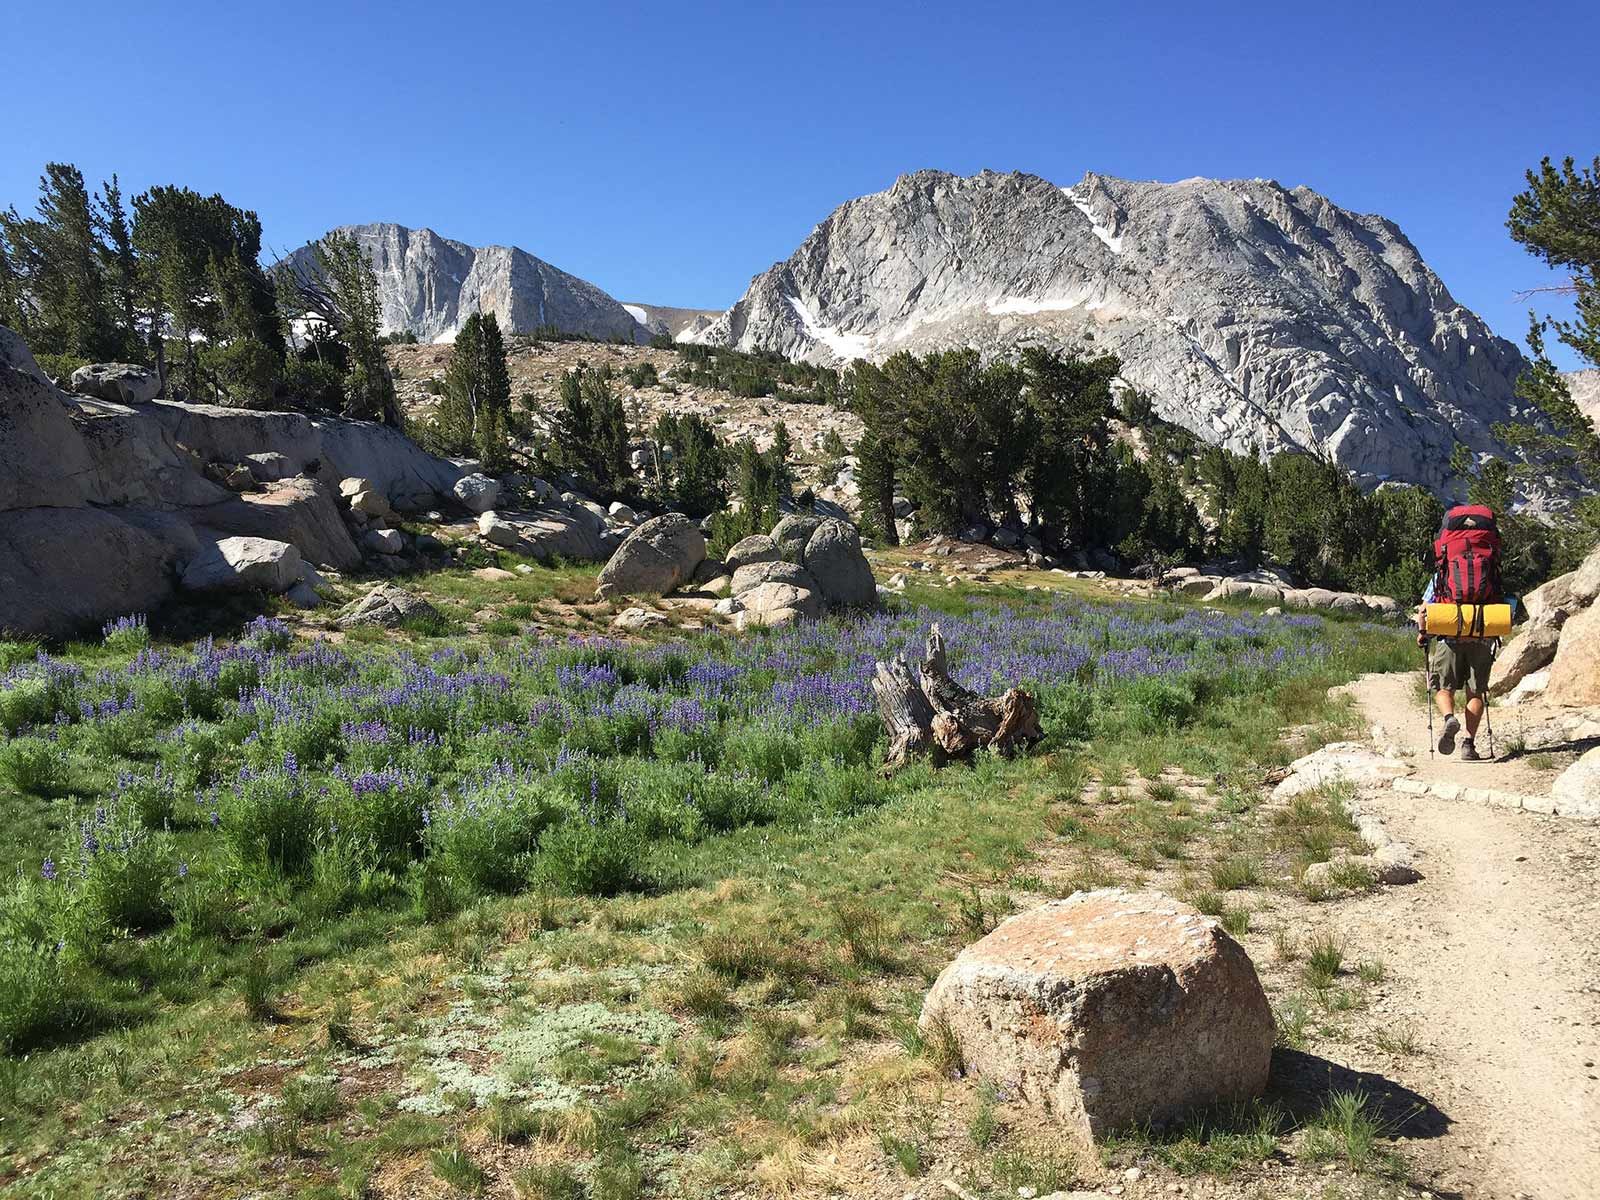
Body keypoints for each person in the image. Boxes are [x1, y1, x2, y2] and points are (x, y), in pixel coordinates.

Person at [1416, 503, 1505, 761]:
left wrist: (1422, 633)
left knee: (1444, 687)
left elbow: (1424, 610)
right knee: (1475, 693)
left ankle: (1449, 718)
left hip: (1449, 635)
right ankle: (1469, 744)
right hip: (1481, 634)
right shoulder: (1489, 565)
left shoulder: (1441, 574)